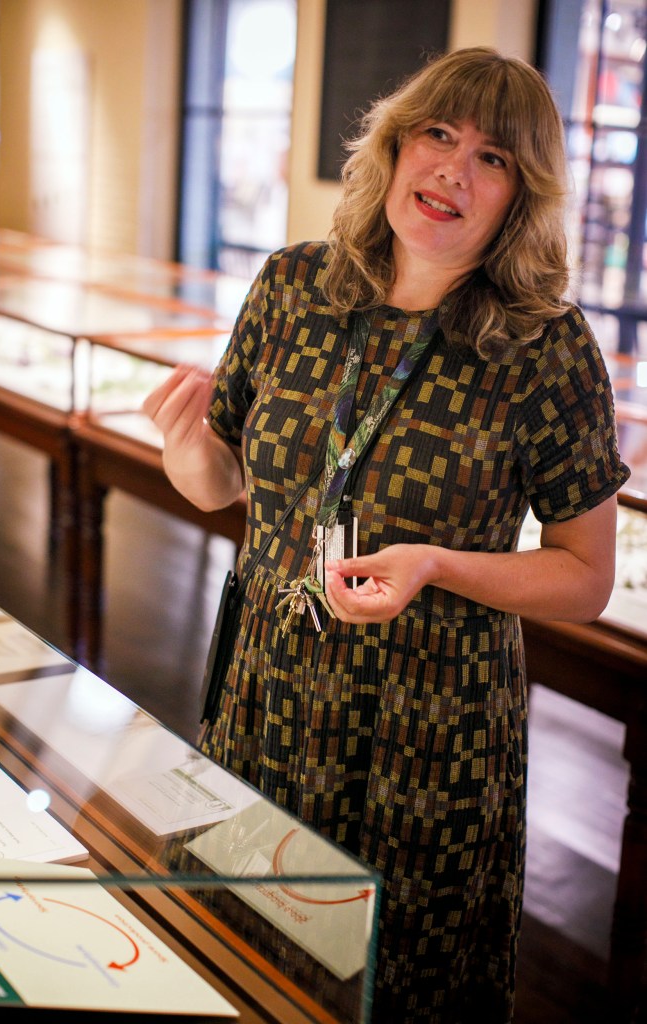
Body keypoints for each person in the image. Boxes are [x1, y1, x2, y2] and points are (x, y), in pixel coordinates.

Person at [143, 46, 630, 1024]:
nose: (452, 169)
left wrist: (435, 564)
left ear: (518, 195)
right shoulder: (290, 285)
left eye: (492, 157)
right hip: (268, 692)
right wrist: (184, 445)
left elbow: (585, 578)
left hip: (430, 733)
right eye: (437, 135)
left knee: (400, 984)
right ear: (395, 146)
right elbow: (222, 487)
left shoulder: (544, 347)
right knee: (239, 962)